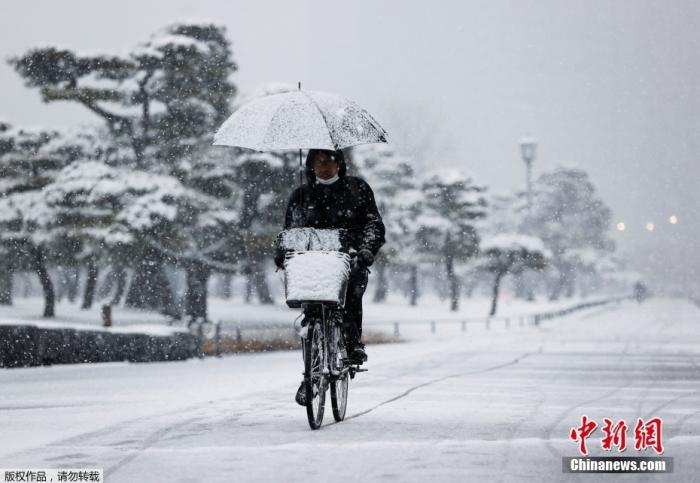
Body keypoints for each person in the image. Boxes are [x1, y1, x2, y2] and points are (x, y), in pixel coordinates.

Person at [274, 148, 386, 406]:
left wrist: (367, 250)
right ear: (311, 165)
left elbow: (374, 225)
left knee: (350, 296)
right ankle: (311, 374)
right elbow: (291, 231)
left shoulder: (358, 190)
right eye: (318, 162)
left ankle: (352, 342)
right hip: (312, 262)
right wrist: (282, 255)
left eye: (330, 161)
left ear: (340, 164)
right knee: (311, 311)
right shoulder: (300, 196)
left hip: (349, 258)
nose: (324, 167)